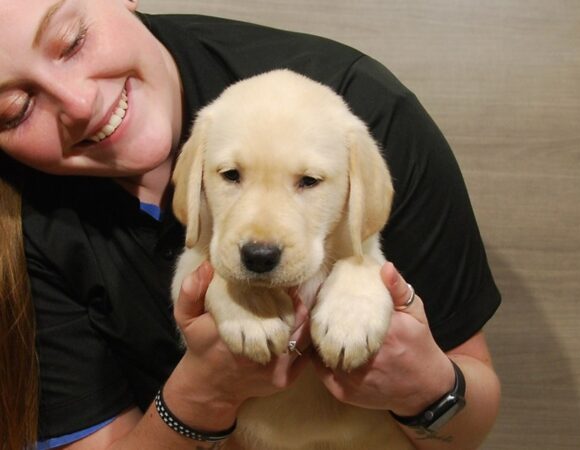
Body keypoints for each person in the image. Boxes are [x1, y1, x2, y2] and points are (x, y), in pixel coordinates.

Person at [0, 1, 502, 449]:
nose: (80, 104)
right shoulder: (26, 215)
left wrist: (425, 386)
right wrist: (203, 393)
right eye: (14, 108)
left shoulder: (361, 109)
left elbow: (468, 428)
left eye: (72, 40)